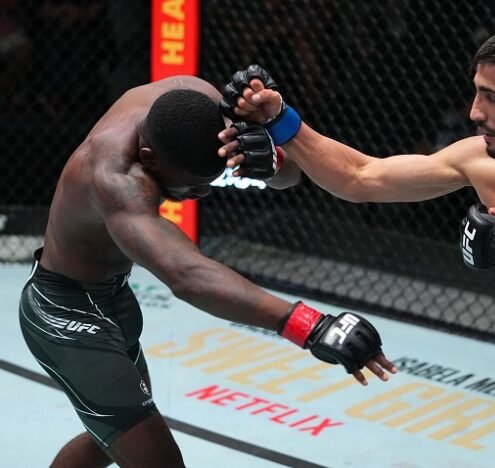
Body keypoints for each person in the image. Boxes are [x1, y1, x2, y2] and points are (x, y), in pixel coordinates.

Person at [218, 24, 495, 468]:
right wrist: (282, 121)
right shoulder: (482, 161)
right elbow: (361, 177)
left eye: (492, 98)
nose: (474, 112)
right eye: (477, 93)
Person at [18, 75, 396, 468]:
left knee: (110, 436)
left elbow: (290, 176)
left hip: (112, 299)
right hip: (63, 314)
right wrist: (310, 325)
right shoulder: (115, 178)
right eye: (191, 186)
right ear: (148, 158)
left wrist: (273, 158)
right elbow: (187, 276)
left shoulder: (195, 99)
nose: (199, 195)